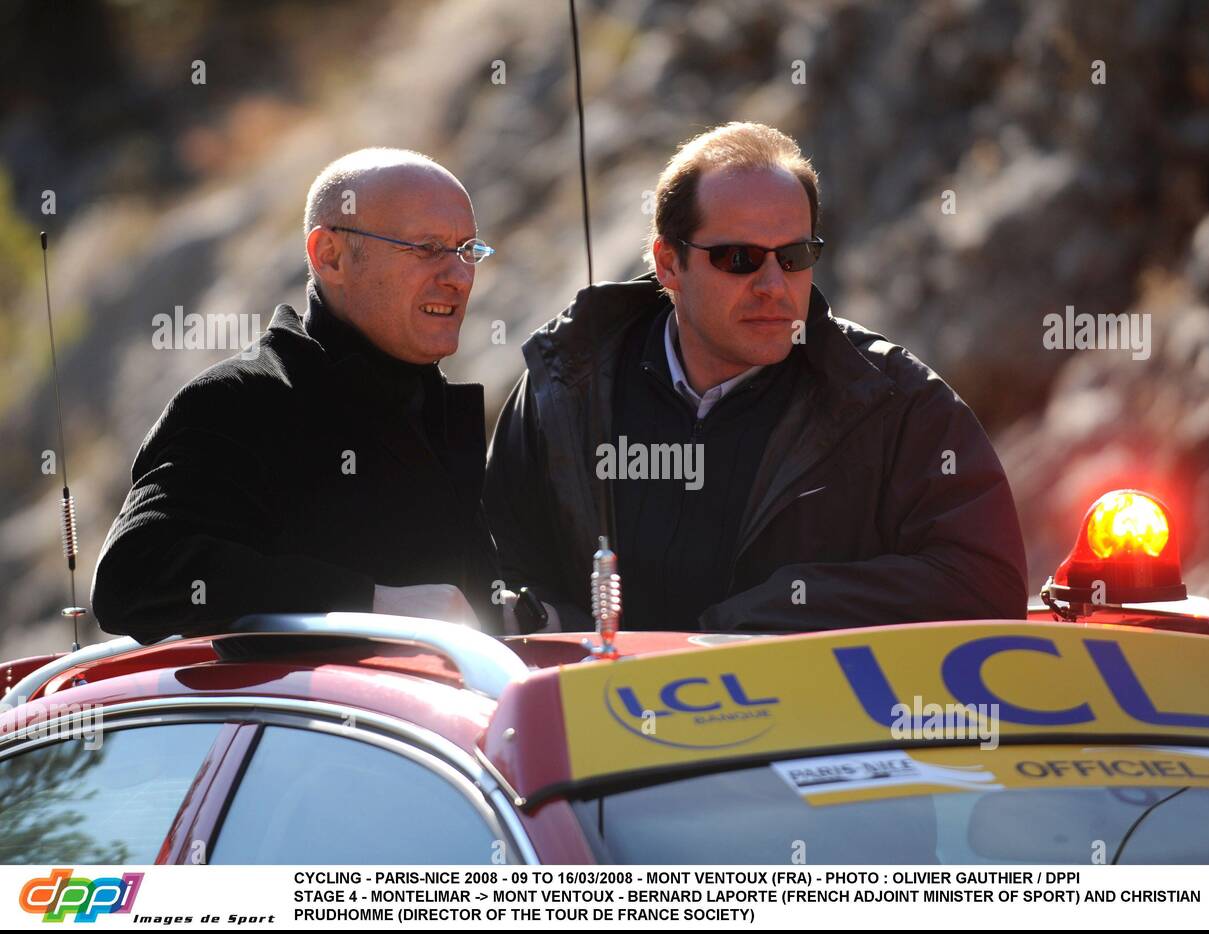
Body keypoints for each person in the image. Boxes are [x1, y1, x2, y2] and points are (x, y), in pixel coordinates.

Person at [485, 122, 1028, 633]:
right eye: (739, 258)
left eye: (794, 256)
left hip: (808, 730)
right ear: (669, 264)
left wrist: (776, 613)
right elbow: (495, 571)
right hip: (591, 723)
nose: (774, 285)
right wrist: (555, 625)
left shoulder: (892, 402)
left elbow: (987, 586)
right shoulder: (563, 388)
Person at [92, 148, 501, 643]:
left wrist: (518, 615)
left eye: (467, 251)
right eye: (428, 248)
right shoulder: (242, 400)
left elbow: (453, 611)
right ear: (329, 256)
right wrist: (372, 602)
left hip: (447, 718)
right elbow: (130, 577)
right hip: (301, 720)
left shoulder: (432, 410)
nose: (458, 276)